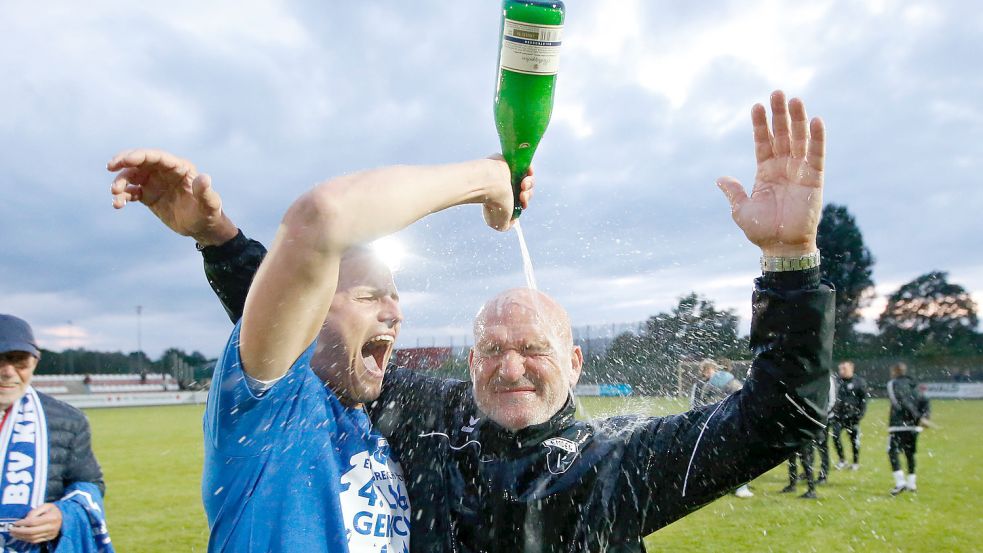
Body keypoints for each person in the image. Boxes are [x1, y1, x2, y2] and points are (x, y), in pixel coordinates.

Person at [119, 91, 833, 551]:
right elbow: (313, 324)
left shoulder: (616, 464)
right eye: (491, 347)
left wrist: (791, 261)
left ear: (576, 362)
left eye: (531, 347)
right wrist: (221, 241)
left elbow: (783, 413)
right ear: (466, 360)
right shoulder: (427, 419)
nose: (510, 364)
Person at [107, 148, 534, 552]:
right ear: (309, 316)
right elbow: (322, 216)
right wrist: (487, 178)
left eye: (394, 297)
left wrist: (220, 236)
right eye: (370, 296)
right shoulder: (272, 408)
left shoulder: (369, 423)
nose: (394, 313)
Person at [0, 315, 113, 552]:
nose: (8, 372)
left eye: (19, 361)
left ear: (35, 362)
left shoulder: (68, 420)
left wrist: (63, 515)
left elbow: (88, 483)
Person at [689, 359, 753, 498]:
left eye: (705, 370)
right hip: (725, 420)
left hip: (720, 421)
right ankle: (736, 485)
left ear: (710, 370)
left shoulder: (714, 383)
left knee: (729, 454)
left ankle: (738, 486)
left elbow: (696, 406)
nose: (703, 373)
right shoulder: (724, 381)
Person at [887, 362, 930, 496]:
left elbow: (899, 401)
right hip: (914, 426)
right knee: (910, 453)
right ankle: (912, 483)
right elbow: (925, 400)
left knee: (892, 451)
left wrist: (917, 416)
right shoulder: (914, 384)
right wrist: (924, 416)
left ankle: (900, 483)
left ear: (894, 372)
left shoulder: (892, 384)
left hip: (899, 424)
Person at [831, 360, 868, 471]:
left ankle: (855, 462)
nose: (841, 371)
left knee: (854, 440)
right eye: (840, 369)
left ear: (851, 369)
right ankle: (842, 460)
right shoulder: (837, 382)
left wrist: (860, 414)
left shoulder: (859, 382)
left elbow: (864, 400)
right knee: (835, 436)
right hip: (839, 416)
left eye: (844, 369)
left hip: (853, 416)